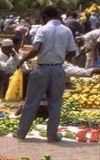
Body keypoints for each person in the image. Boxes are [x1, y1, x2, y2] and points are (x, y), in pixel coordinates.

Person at [15, 6, 77, 143]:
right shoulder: (66, 31)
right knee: (55, 104)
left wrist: (22, 60)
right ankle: (52, 135)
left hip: (42, 69)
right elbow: (73, 52)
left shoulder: (42, 30)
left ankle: (21, 133)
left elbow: (36, 49)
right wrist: (61, 57)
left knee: (31, 102)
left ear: (44, 16)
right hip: (58, 70)